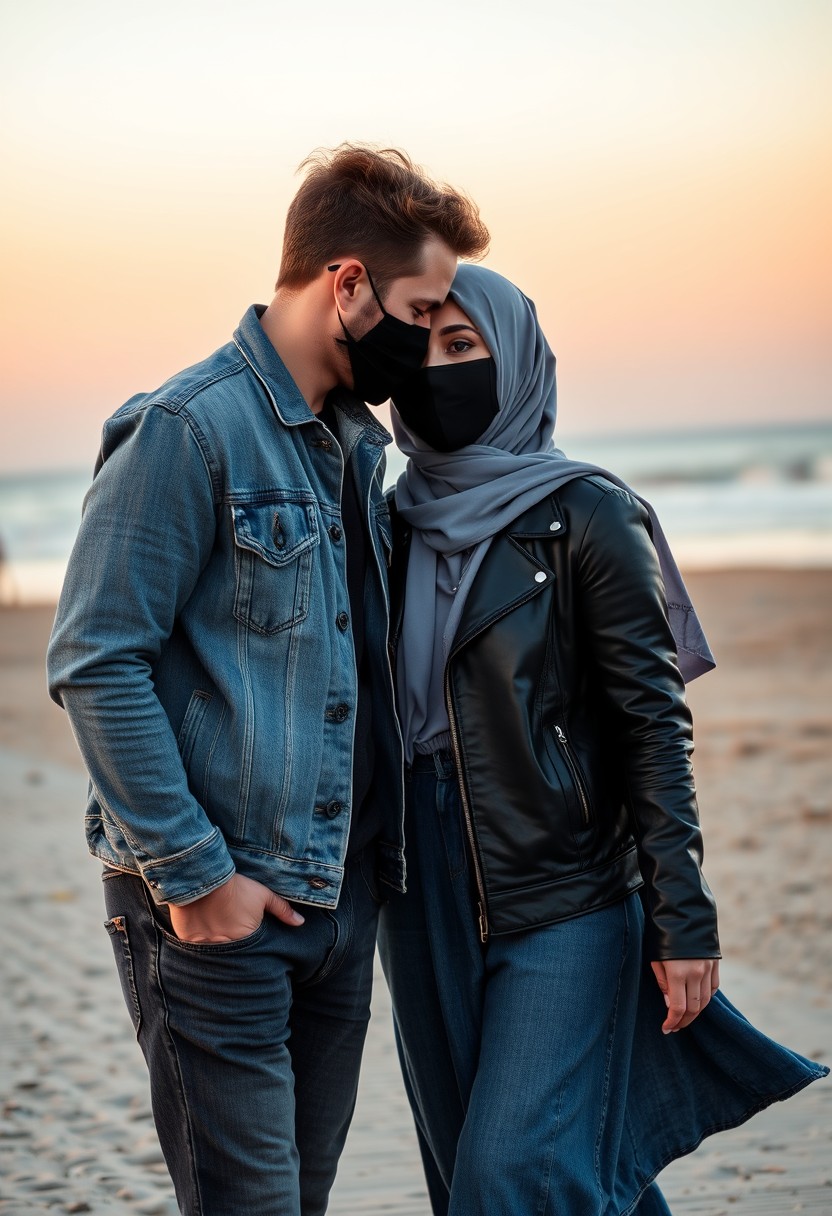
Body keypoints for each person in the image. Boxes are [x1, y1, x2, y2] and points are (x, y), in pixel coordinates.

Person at [46, 145, 489, 1216]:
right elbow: (96, 658)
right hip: (218, 909)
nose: (428, 338)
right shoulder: (188, 430)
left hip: (332, 910)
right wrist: (199, 881)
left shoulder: (356, 452)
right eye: (418, 307)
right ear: (345, 284)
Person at [378, 263, 827, 1216]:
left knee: (512, 1180)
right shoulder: (384, 524)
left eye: (463, 345)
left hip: (565, 888)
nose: (436, 366)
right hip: (419, 897)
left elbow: (651, 726)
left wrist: (683, 915)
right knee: (507, 1177)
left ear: (521, 362)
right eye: (419, 346)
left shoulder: (587, 512)